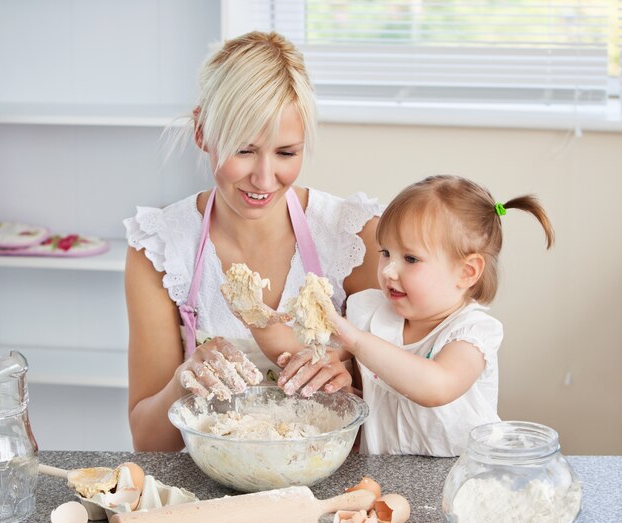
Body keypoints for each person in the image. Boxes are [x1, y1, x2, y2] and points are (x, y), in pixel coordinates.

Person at [123, 32, 383, 451]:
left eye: (286, 153)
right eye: (244, 150)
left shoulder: (354, 236)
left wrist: (347, 376)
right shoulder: (159, 250)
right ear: (202, 133)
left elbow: (394, 419)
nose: (264, 179)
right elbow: (149, 443)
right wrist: (184, 380)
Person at [327, 175, 555, 456]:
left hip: (462, 478)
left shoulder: (471, 332)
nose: (387, 271)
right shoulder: (369, 312)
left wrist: (357, 341)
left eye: (410, 259)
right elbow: (319, 354)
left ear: (467, 272)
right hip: (385, 477)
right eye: (385, 252)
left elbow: (437, 387)